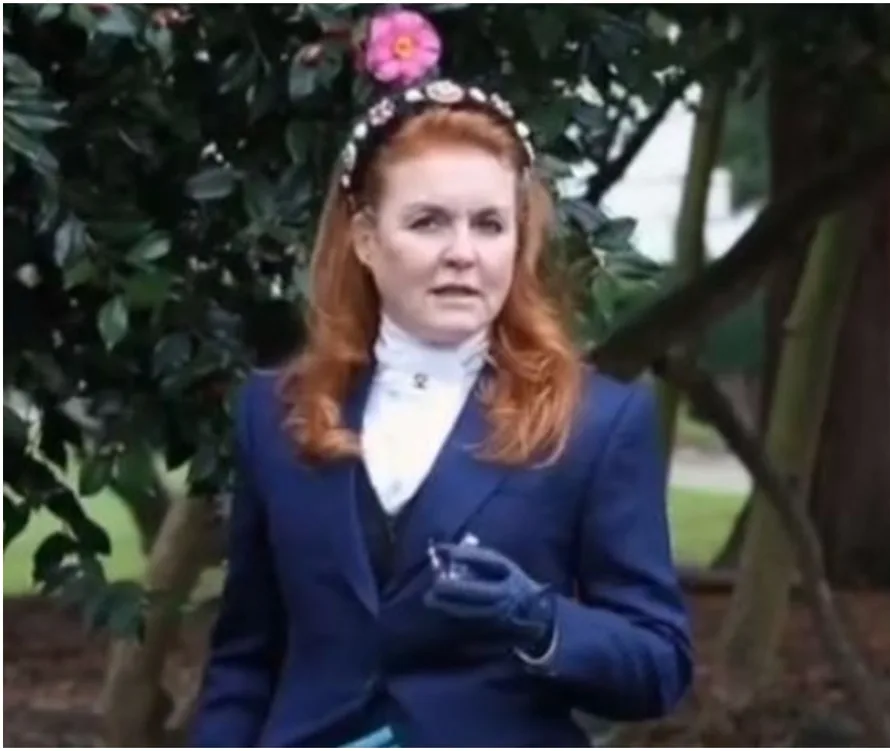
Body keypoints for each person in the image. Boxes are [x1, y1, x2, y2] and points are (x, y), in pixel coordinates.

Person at [191, 15, 692, 747]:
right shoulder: (275, 412)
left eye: (489, 225)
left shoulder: (597, 422)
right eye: (427, 222)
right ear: (366, 238)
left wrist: (541, 618)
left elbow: (660, 664)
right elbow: (246, 657)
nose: (463, 252)